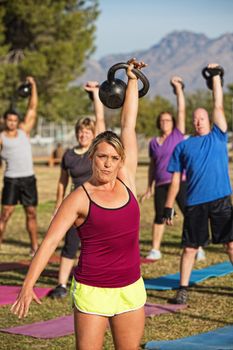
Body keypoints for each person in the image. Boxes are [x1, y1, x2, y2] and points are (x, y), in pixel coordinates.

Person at [11, 58, 147, 350]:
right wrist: (27, 285)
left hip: (131, 288)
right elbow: (49, 243)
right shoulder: (80, 197)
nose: (108, 164)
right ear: (91, 157)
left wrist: (132, 79)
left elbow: (128, 124)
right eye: (102, 157)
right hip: (93, 290)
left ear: (121, 160)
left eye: (113, 158)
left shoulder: (127, 181)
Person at [164, 63, 233, 305]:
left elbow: (218, 105)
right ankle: (182, 288)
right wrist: (168, 206)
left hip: (221, 198)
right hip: (195, 203)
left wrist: (215, 77)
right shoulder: (183, 146)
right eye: (196, 119)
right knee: (190, 249)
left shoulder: (218, 135)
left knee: (231, 245)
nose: (199, 122)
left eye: (202, 118)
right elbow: (174, 180)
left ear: (208, 120)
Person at [48, 81, 105, 298]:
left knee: (96, 245)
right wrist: (57, 206)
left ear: (92, 135)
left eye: (87, 132)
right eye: (81, 132)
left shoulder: (95, 150)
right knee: (70, 244)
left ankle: (98, 281)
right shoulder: (69, 155)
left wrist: (96, 95)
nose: (84, 135)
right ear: (77, 134)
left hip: (96, 203)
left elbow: (100, 120)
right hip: (74, 203)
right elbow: (62, 182)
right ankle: (62, 285)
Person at [141, 76, 205, 261]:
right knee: (159, 216)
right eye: (162, 121)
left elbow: (182, 110)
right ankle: (155, 249)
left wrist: (178, 90)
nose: (164, 123)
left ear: (173, 122)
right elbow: (152, 165)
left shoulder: (178, 134)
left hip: (181, 181)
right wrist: (149, 186)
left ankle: (197, 247)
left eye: (168, 120)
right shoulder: (153, 142)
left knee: (189, 213)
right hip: (161, 183)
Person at [0, 77, 39, 256]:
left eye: (15, 120)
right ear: (5, 120)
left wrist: (33, 86)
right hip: (11, 180)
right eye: (9, 120)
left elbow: (32, 108)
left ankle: (34, 247)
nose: (12, 123)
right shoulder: (1, 137)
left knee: (31, 212)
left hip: (28, 179)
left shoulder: (24, 131)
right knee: (5, 214)